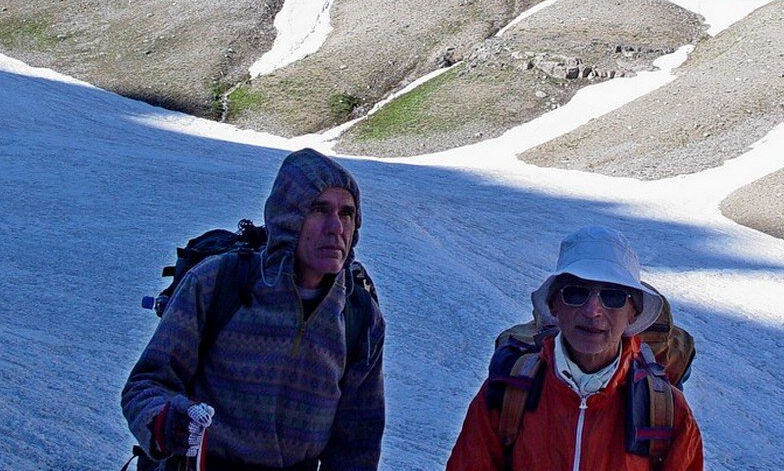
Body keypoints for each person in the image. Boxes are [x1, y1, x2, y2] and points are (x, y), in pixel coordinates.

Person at [122, 148, 384, 470]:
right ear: (289, 217)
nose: (336, 227)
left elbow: (357, 442)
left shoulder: (359, 316)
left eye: (347, 213)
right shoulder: (218, 282)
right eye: (319, 209)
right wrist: (165, 420)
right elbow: (146, 384)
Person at [446, 226, 703, 470]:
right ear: (554, 305)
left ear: (633, 313)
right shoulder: (505, 392)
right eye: (575, 293)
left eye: (612, 296)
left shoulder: (669, 412)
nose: (592, 311)